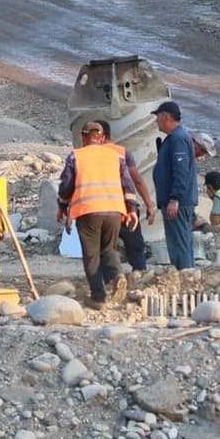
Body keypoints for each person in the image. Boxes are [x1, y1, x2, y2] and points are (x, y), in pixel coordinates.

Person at [56, 120, 155, 308]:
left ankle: (98, 297)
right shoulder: (116, 156)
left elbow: (66, 186)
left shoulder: (76, 156)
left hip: (88, 212)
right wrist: (132, 209)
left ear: (83, 137)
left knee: (92, 255)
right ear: (101, 137)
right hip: (115, 211)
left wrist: (62, 207)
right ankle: (117, 275)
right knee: (109, 249)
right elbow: (128, 184)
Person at [150, 100, 200, 269]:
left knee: (179, 245)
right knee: (183, 242)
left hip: (178, 203)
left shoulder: (178, 139)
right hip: (180, 201)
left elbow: (181, 171)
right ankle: (188, 275)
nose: (156, 121)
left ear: (166, 117)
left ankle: (185, 277)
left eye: (157, 117)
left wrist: (174, 198)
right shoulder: (178, 137)